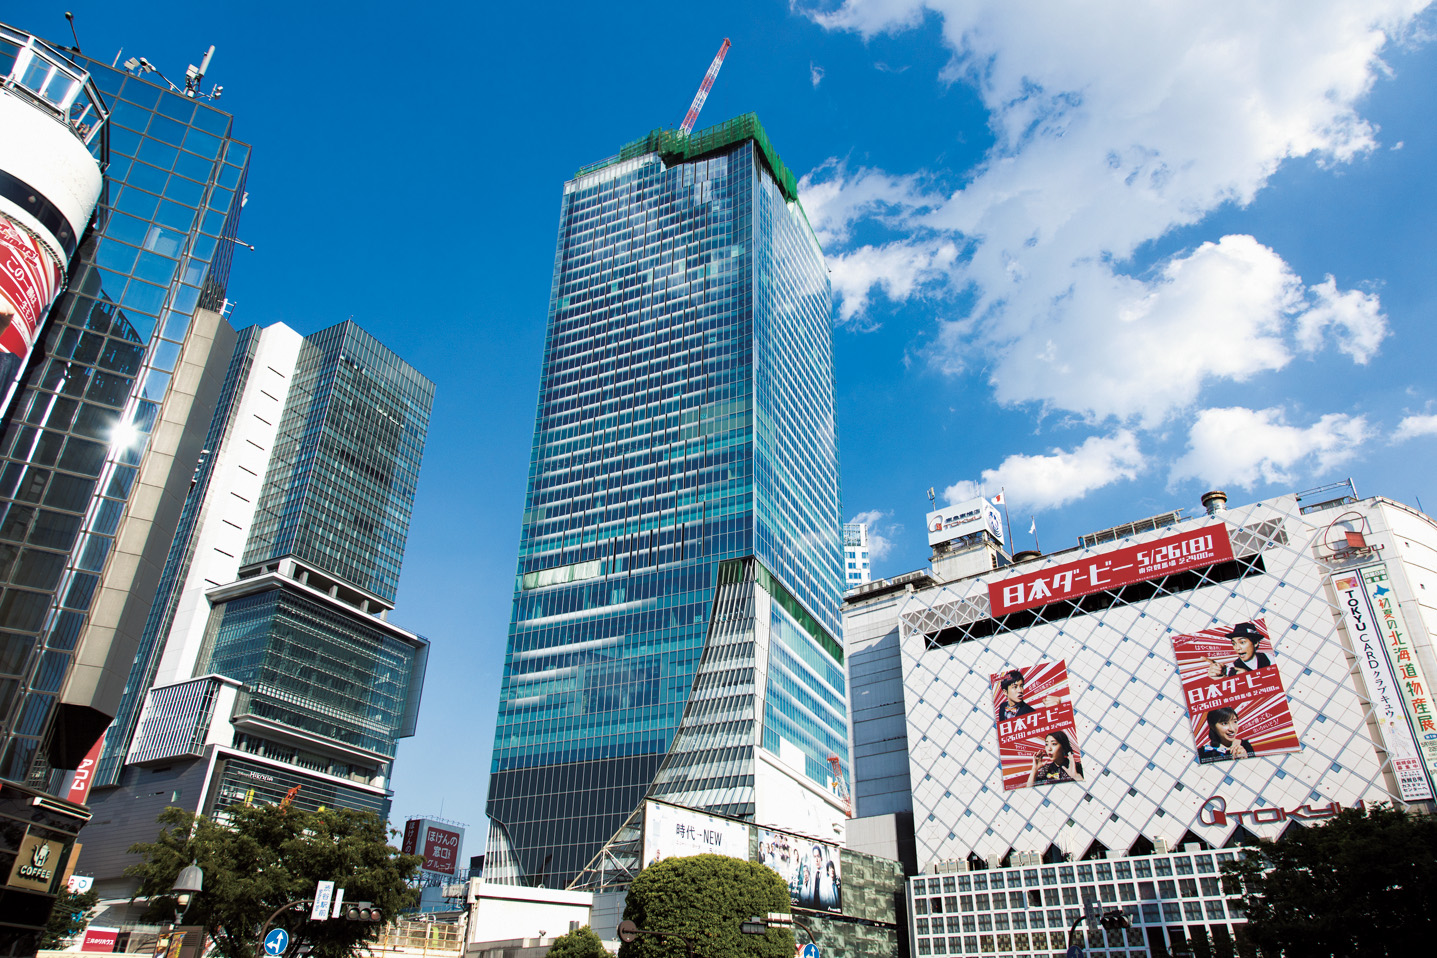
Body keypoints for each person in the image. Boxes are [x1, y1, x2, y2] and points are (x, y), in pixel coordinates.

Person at [1205, 622, 1271, 679]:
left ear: (1256, 643)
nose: (1237, 648)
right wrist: (1222, 678)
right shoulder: (1232, 668)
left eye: (1242, 642)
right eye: (1234, 643)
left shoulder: (1269, 658)